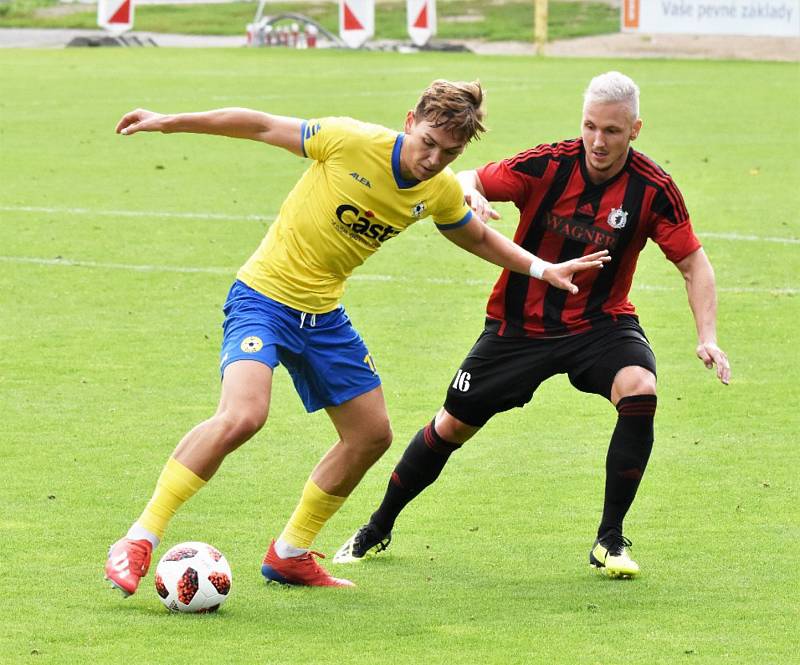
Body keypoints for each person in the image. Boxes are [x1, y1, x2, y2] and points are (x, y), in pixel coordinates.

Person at [103, 80, 610, 595]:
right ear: (410, 121)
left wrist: (542, 269)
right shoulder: (350, 140)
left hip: (323, 316)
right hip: (262, 298)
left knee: (371, 435)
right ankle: (138, 539)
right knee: (243, 415)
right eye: (428, 143)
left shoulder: (438, 189)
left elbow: (475, 235)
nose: (434, 159)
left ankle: (290, 553)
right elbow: (259, 124)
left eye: (450, 152)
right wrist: (170, 119)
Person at [334, 71, 731, 579]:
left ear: (635, 129)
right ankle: (377, 525)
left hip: (599, 324)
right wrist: (470, 192)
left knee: (640, 389)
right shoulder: (548, 164)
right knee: (452, 424)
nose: (597, 140)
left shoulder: (653, 189)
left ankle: (609, 540)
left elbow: (694, 263)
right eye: (590, 126)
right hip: (517, 326)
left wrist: (708, 338)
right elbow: (468, 176)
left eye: (611, 130)